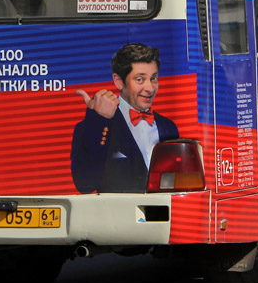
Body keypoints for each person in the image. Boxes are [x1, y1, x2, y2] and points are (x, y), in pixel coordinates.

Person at [70, 43, 178, 194]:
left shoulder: (168, 127)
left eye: (153, 78)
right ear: (119, 81)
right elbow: (85, 184)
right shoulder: (94, 125)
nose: (150, 88)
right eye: (140, 79)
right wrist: (100, 120)